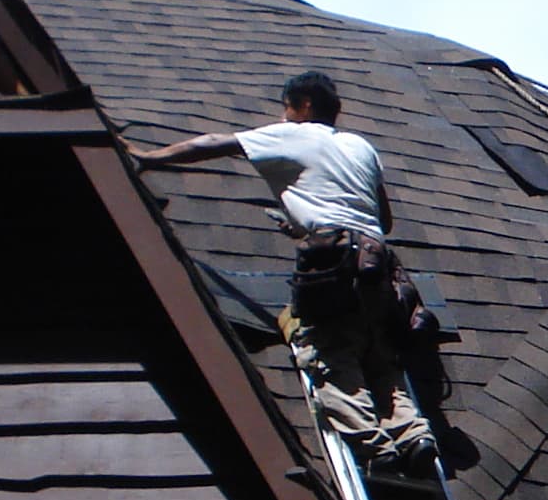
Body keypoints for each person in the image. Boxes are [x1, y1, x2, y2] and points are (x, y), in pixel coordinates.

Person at [129, 70, 436, 469]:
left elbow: (213, 144)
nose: (283, 113)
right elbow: (384, 220)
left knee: (330, 353)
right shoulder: (361, 146)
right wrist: (307, 216)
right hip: (379, 266)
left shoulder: (295, 134)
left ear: (304, 105)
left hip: (334, 261)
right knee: (380, 354)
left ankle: (377, 449)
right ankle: (413, 434)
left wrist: (148, 156)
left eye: (287, 106)